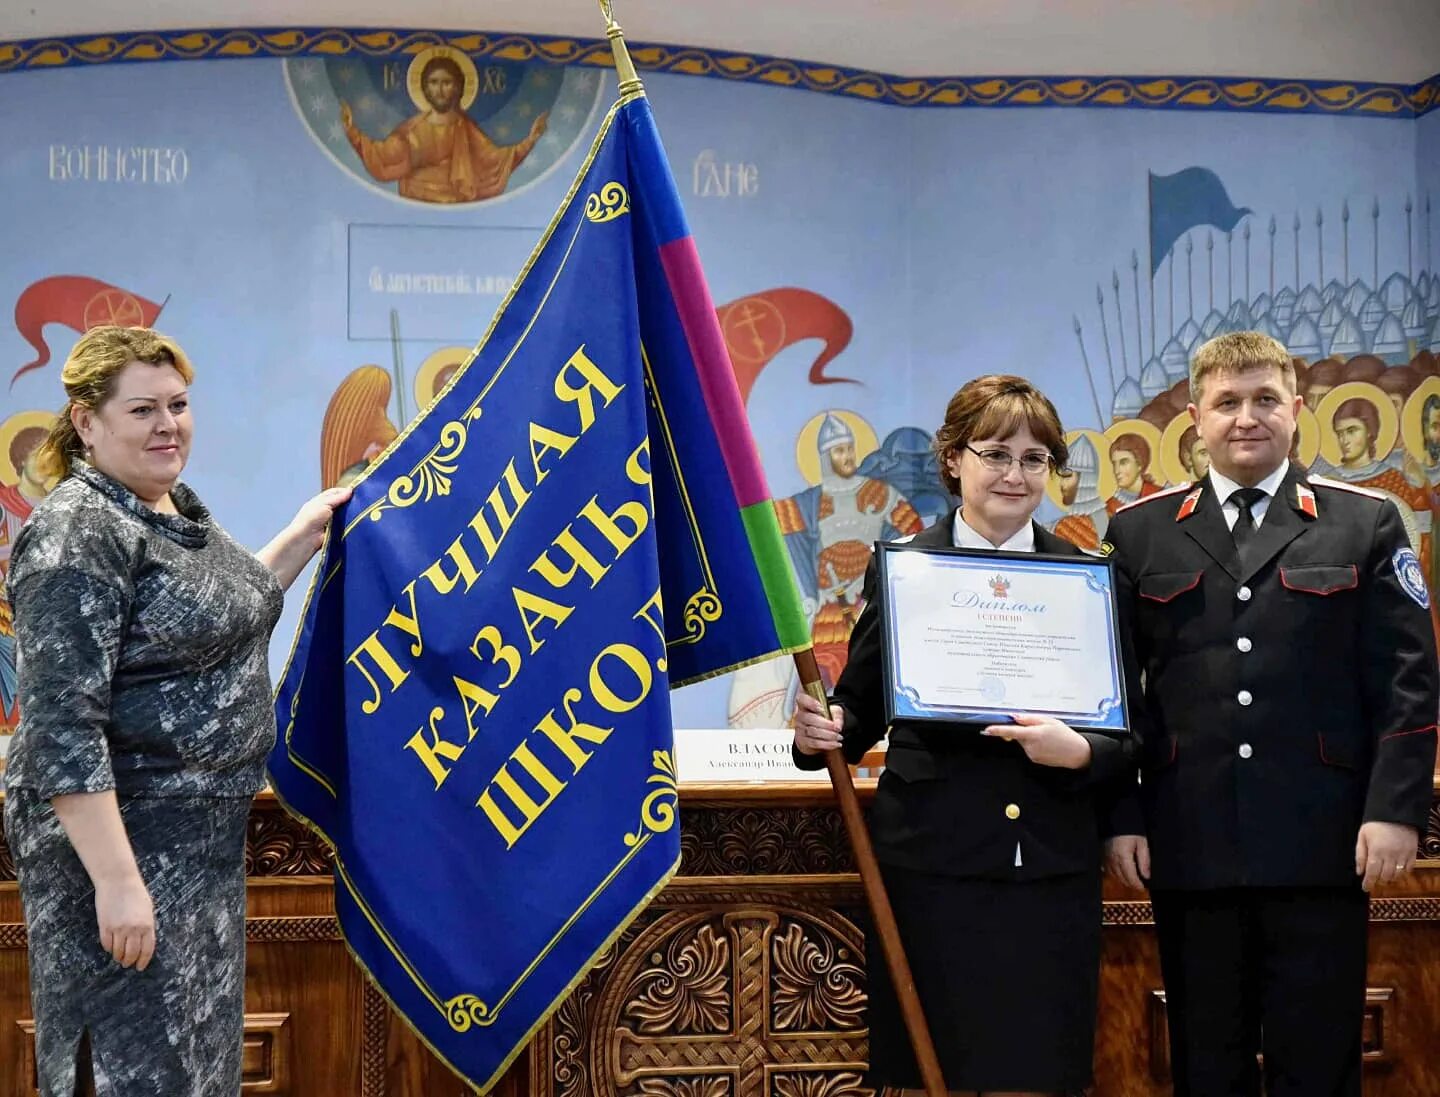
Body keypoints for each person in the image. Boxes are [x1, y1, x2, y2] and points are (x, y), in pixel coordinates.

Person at [2, 326, 350, 1095]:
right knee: (131, 1070)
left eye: (179, 404)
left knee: (190, 1073)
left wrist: (307, 529)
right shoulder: (77, 531)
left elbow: (221, 615)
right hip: (121, 852)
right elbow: (63, 730)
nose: (169, 424)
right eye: (143, 410)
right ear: (87, 423)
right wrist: (119, 883)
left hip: (195, 855)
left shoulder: (170, 510)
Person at [1104, 331, 1438, 1097]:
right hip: (1191, 843)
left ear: (1296, 409)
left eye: (1263, 400)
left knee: (1318, 1064)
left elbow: (1409, 684)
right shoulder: (1140, 533)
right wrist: (1123, 816)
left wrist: (1394, 810)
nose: (1245, 417)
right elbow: (1120, 695)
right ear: (1196, 417)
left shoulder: (1365, 523)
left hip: (1324, 843)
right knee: (1204, 1063)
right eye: (1226, 402)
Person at [793, 375, 1134, 1097]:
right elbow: (856, 713)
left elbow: (1129, 733)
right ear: (954, 459)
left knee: (1036, 1074)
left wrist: (1079, 751)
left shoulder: (1088, 579)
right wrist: (822, 724)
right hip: (932, 869)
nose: (1015, 474)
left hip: (1048, 869)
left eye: (1036, 458)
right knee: (929, 1072)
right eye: (996, 453)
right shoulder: (907, 571)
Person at [341, 52, 548, 204]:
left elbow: (494, 160)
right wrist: (352, 131)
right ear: (424, 87)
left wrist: (531, 139)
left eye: (446, 82)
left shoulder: (465, 129)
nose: (439, 89)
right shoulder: (411, 129)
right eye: (433, 82)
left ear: (458, 87)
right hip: (414, 205)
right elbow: (385, 157)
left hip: (459, 209)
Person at [1105, 431, 1160, 514]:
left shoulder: (1159, 496)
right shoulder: (1110, 507)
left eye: (1123, 462)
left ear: (1139, 464)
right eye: (1114, 464)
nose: (1116, 471)